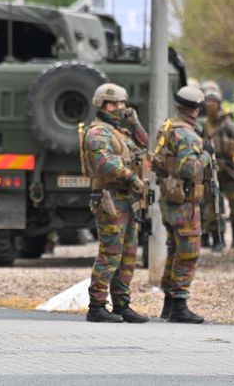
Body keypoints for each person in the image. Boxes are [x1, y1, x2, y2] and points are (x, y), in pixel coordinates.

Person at [80, 83, 150, 324]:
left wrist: (135, 124)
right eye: (115, 104)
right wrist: (132, 177)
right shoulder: (98, 132)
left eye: (122, 103)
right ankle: (97, 305)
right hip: (110, 198)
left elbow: (145, 145)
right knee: (110, 253)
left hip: (127, 199)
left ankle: (122, 304)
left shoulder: (119, 131)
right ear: (103, 105)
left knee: (128, 254)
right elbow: (105, 163)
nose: (121, 108)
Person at [152, 85, 212, 324]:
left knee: (174, 250)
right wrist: (206, 155)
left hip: (170, 199)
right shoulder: (187, 134)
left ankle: (169, 304)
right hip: (184, 202)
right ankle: (179, 305)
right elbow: (189, 168)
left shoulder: (167, 127)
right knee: (188, 253)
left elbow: (158, 162)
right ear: (196, 109)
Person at [203, 88, 234, 248]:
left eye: (213, 102)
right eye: (208, 101)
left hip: (230, 171)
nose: (210, 105)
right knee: (212, 206)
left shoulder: (228, 124)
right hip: (211, 171)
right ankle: (217, 239)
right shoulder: (203, 125)